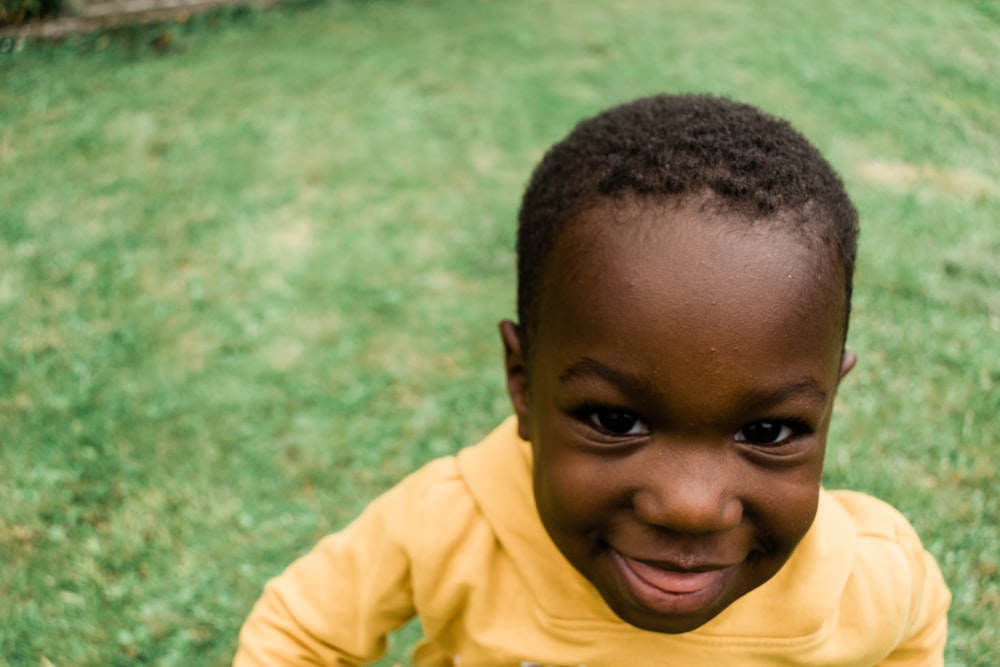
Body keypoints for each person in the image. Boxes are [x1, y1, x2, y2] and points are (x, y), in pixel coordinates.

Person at [233, 95, 950, 666]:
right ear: (521, 383)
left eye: (766, 431)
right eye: (616, 421)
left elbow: (916, 634)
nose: (690, 507)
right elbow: (297, 630)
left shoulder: (869, 574)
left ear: (829, 403)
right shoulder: (452, 525)